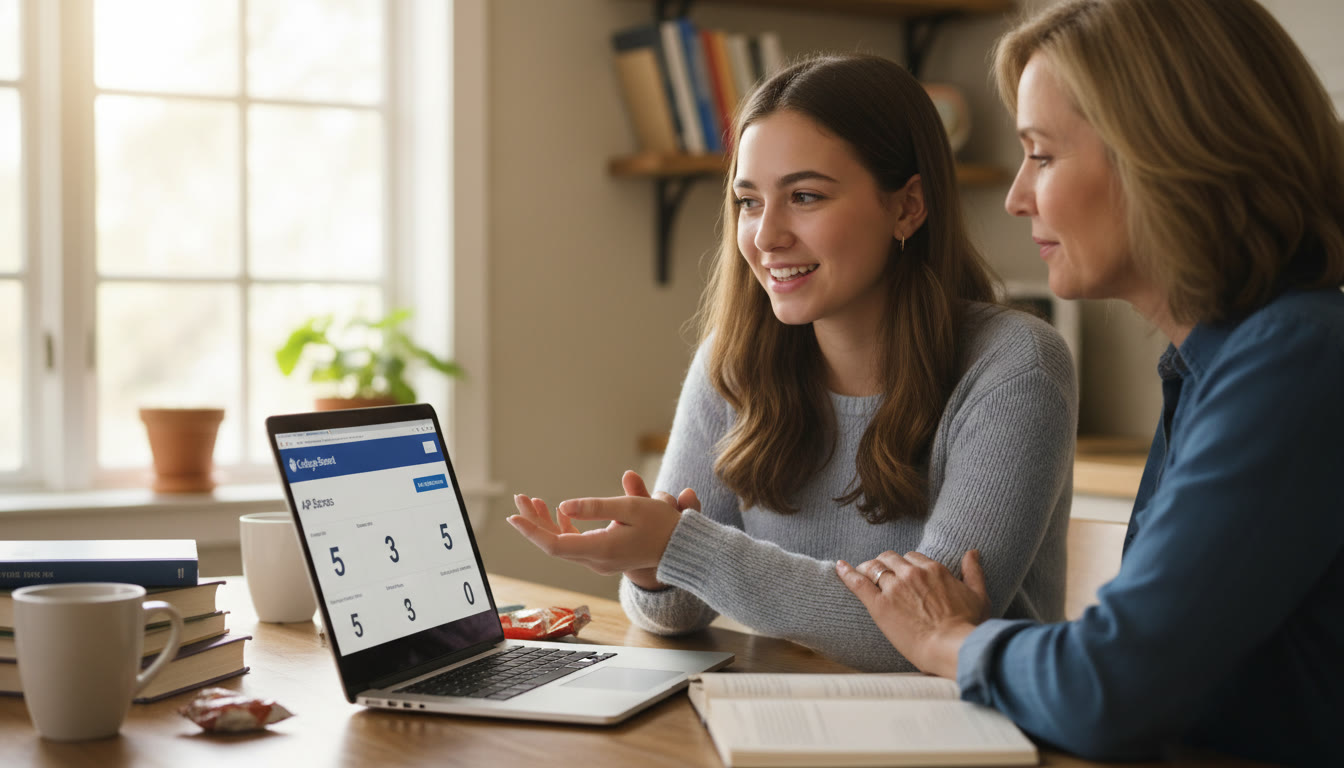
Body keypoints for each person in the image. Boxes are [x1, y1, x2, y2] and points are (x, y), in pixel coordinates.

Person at [836, 0, 1344, 764]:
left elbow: (1111, 689)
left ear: (1164, 153)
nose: (1016, 196)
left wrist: (953, 641)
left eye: (1040, 154)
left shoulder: (1297, 354)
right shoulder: (1217, 362)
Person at [510, 53, 1078, 672]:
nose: (765, 235)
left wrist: (684, 545)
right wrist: (652, 567)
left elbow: (923, 636)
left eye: (805, 196)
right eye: (749, 201)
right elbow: (674, 612)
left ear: (907, 207)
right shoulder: (732, 363)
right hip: (786, 722)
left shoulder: (1016, 366)